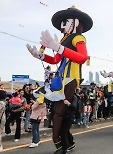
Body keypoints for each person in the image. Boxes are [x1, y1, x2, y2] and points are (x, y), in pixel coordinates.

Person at [26, 6, 93, 154]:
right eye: (62, 22)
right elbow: (57, 59)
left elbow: (82, 58)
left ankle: (60, 145)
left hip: (70, 80)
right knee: (57, 112)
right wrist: (40, 56)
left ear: (75, 22)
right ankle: (62, 144)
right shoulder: (64, 39)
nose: (62, 25)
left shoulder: (78, 38)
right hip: (60, 79)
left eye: (65, 21)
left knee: (58, 113)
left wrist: (58, 47)